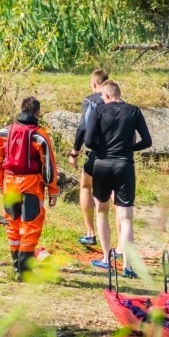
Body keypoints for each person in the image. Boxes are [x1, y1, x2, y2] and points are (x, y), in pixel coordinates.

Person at [84, 81, 152, 277]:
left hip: (102, 164)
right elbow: (147, 141)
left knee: (102, 211)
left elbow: (89, 141)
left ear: (106, 95)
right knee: (126, 217)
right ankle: (127, 266)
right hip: (124, 165)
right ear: (119, 93)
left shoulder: (99, 110)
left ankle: (106, 258)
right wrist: (129, 149)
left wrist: (102, 148)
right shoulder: (134, 111)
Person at [0, 97, 59, 280]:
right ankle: (25, 271)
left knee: (12, 224)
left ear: (21, 109)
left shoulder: (3, 133)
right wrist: (53, 190)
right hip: (31, 185)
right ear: (38, 113)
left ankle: (16, 267)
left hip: (9, 183)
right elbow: (49, 166)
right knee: (31, 226)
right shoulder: (40, 136)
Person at [68, 69, 109, 246]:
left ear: (94, 83)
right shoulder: (117, 100)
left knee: (85, 187)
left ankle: (90, 233)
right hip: (117, 156)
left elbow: (83, 127)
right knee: (114, 197)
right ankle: (121, 244)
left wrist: (75, 151)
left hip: (96, 154)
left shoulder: (90, 100)